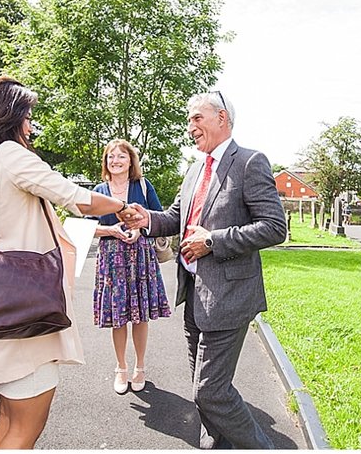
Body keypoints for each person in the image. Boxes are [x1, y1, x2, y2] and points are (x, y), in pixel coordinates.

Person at [0, 76, 127, 450]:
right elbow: (78, 199)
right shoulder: (10, 156)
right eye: (28, 116)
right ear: (10, 118)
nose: (31, 125)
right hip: (26, 318)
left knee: (10, 422)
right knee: (26, 428)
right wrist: (125, 208)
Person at [117, 91, 286, 449]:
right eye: (189, 119)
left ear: (221, 118)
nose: (190, 126)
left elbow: (274, 226)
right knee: (203, 387)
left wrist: (213, 241)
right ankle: (217, 444)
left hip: (230, 297)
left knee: (210, 391)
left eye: (197, 118)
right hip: (193, 294)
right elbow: (177, 218)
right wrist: (146, 218)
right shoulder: (195, 169)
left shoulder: (250, 161)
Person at [92, 139, 172, 395]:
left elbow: (160, 220)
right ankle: (121, 368)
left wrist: (140, 229)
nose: (115, 161)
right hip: (112, 258)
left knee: (140, 315)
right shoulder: (99, 190)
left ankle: (140, 366)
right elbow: (86, 227)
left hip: (140, 256)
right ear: (106, 162)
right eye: (110, 157)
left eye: (121, 156)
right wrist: (110, 230)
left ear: (131, 161)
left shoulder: (143, 186)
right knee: (118, 317)